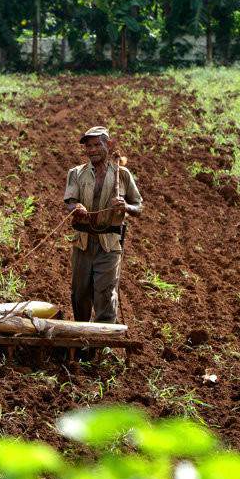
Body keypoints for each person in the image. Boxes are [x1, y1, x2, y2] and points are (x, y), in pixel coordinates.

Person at [63, 126, 143, 333]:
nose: (92, 150)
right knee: (79, 293)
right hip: (82, 242)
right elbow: (70, 202)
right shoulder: (76, 173)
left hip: (109, 244)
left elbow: (138, 206)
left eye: (97, 144)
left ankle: (101, 342)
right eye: (88, 146)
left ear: (108, 145)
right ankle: (81, 335)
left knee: (105, 293)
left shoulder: (122, 175)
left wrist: (125, 207)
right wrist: (76, 207)